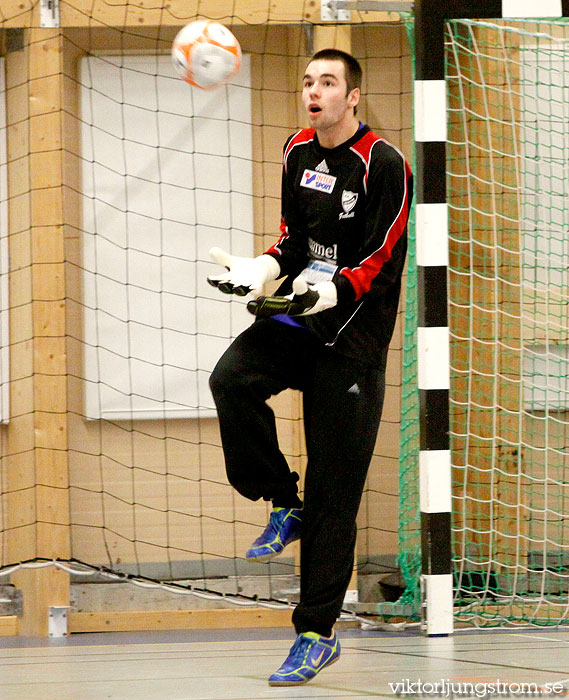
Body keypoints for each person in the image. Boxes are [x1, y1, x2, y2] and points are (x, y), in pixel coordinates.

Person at [208, 48, 413, 686]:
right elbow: (292, 239)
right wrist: (260, 269)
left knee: (336, 495)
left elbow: (381, 252)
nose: (314, 91)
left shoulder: (384, 163)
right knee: (231, 379)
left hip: (351, 341)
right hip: (299, 316)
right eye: (308, 82)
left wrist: (337, 290)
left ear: (353, 97)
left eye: (328, 82)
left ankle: (316, 635)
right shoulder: (300, 151)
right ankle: (280, 499)